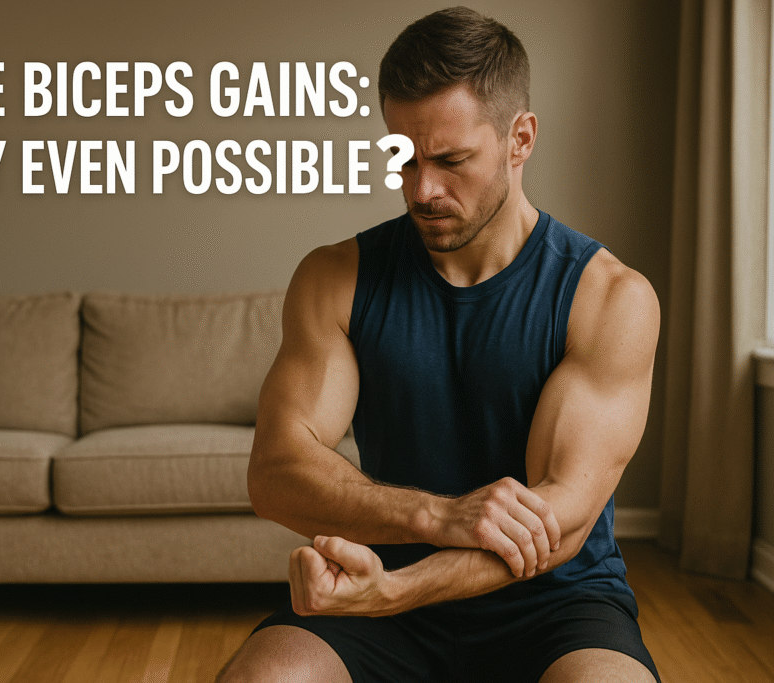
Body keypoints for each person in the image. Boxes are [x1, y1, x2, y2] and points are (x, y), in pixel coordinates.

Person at [216, 6, 662, 683]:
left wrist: (397, 590)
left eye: (452, 160)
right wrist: (437, 515)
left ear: (520, 139)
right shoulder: (335, 278)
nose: (422, 189)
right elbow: (275, 471)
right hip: (379, 598)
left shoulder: (609, 298)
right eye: (404, 158)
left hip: (555, 603)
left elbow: (558, 525)